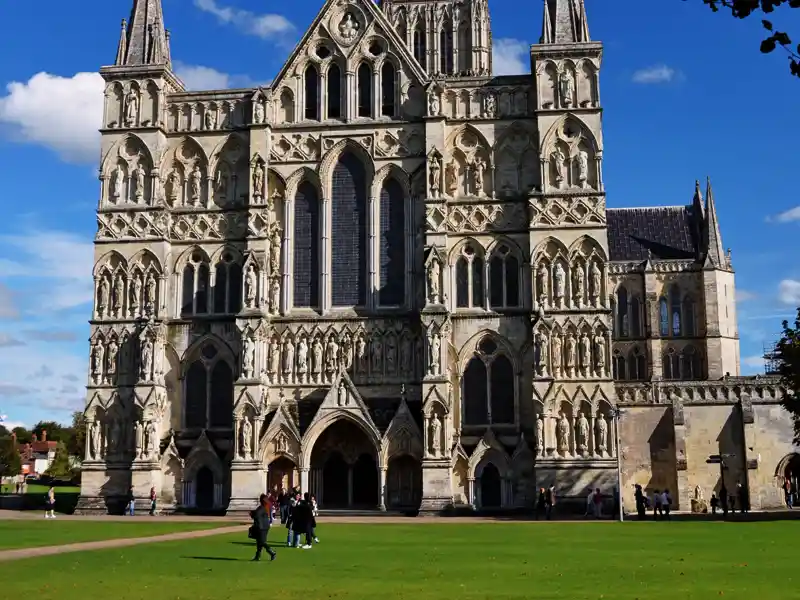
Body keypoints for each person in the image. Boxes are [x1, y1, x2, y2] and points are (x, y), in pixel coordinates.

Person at [250, 494, 276, 562]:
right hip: (264, 526)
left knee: (262, 541)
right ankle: (257, 556)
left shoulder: (262, 507)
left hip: (261, 527)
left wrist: (252, 514)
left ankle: (272, 552)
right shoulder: (266, 506)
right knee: (259, 542)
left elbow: (256, 515)